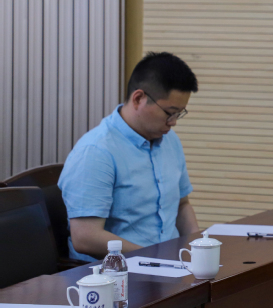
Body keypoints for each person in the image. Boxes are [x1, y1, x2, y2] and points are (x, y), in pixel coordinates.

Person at [58, 51, 200, 261]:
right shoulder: (96, 151)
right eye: (169, 112)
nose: (173, 122)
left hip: (167, 265)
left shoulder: (170, 141)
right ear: (139, 99)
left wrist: (199, 246)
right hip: (116, 272)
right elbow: (85, 237)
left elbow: (181, 204)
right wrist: (155, 259)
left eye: (179, 113)